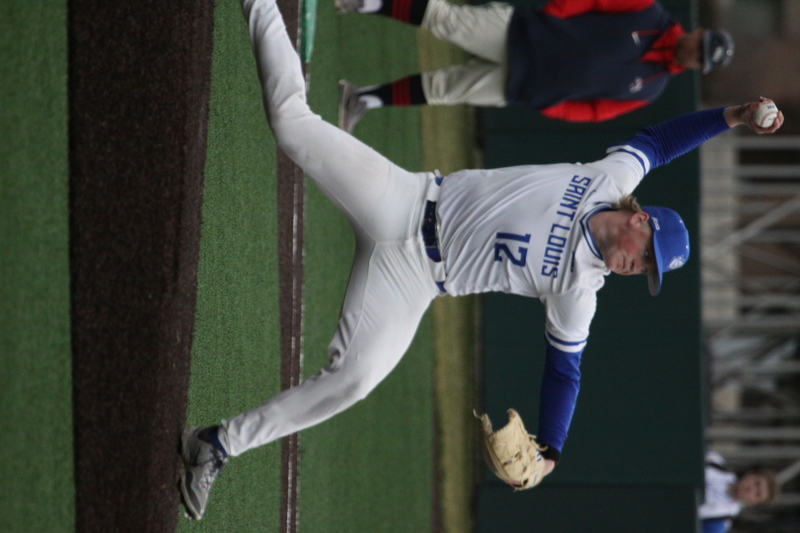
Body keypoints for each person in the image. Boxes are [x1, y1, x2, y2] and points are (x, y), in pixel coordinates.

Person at [178, 0, 782, 520]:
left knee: (355, 379)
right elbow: (662, 141)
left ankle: (216, 443)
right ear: (641, 222)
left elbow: (564, 371)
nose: (636, 270)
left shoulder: (579, 290)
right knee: (291, 123)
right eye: (645, 258)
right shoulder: (611, 176)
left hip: (417, 277)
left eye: (645, 275)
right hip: (407, 198)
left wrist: (552, 451)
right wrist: (731, 116)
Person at [336, 0, 735, 132]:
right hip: (523, 33)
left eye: (702, 60)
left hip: (528, 84)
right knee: (447, 19)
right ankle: (369, 2)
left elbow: (597, 111)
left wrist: (552, 105)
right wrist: (554, 14)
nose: (695, 54)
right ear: (699, 32)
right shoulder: (650, 12)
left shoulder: (653, 87)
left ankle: (363, 98)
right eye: (702, 46)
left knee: (446, 90)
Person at [700, 450, 780, 533]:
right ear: (750, 474)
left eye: (757, 494)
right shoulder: (714, 461)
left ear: (753, 503)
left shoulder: (718, 523)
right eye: (756, 483)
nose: (751, 489)